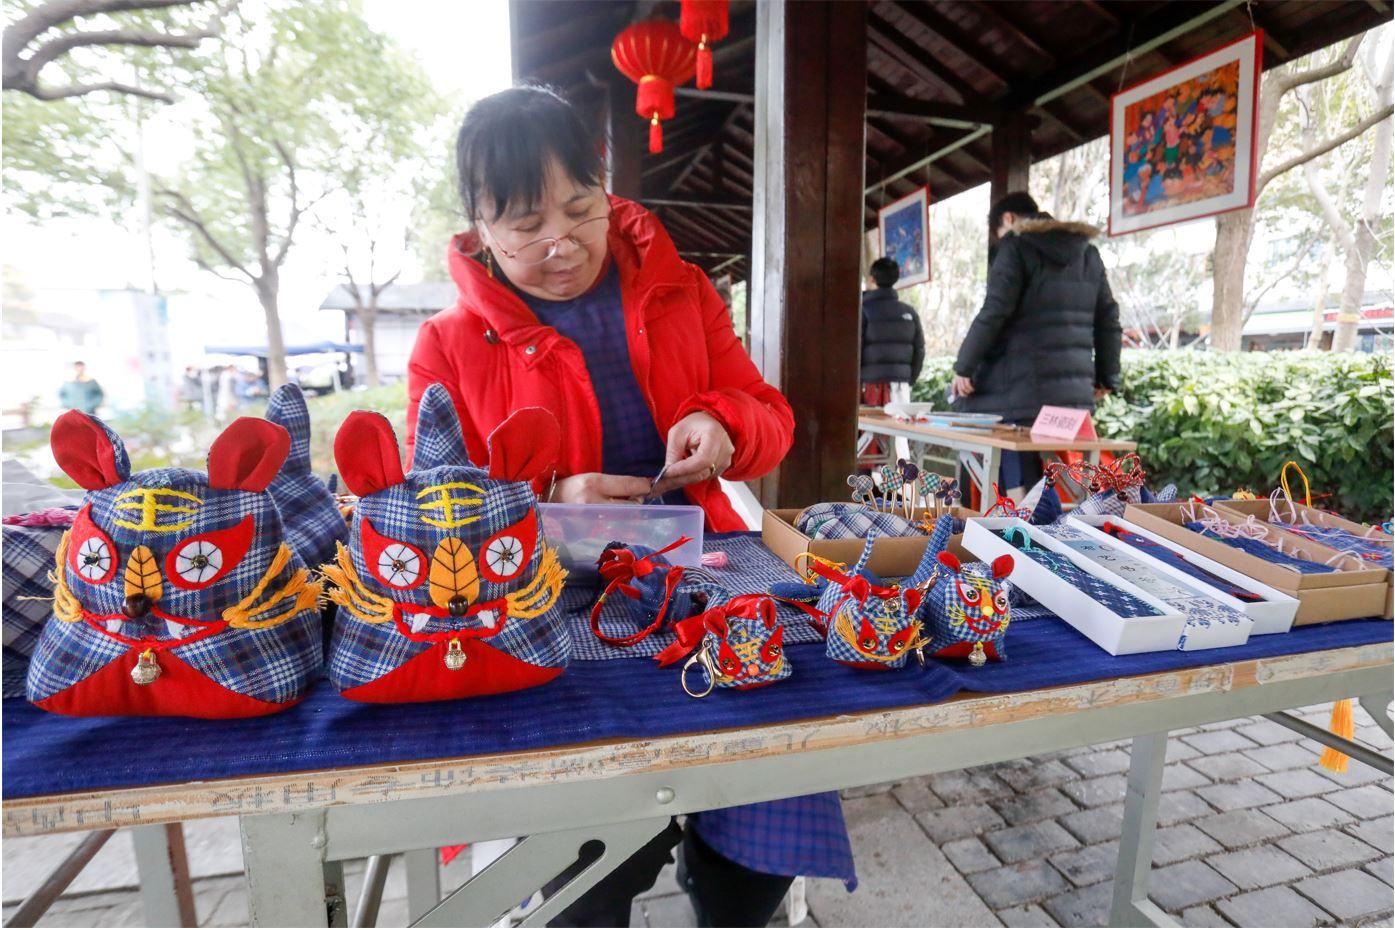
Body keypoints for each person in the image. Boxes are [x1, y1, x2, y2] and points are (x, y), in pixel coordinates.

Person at [405, 85, 850, 927]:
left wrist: (719, 423)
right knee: (586, 860)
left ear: (605, 190)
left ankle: (728, 893)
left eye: (580, 208)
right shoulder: (448, 346)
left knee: (754, 810)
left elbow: (771, 416)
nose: (562, 243)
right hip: (549, 594)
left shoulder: (680, 291)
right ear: (479, 225)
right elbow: (434, 512)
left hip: (705, 567)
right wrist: (546, 500)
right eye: (526, 225)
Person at [952, 191, 1122, 497]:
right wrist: (1107, 377)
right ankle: (1048, 511)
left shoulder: (1015, 246)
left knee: (969, 416)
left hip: (1020, 395)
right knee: (1056, 467)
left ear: (1008, 219)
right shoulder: (1088, 254)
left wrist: (964, 367)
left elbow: (995, 311)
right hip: (1073, 399)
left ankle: (997, 516)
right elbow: (1108, 318)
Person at [859, 257, 925, 408]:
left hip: (870, 386)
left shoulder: (864, 310)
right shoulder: (910, 313)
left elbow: (856, 350)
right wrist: (908, 378)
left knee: (870, 430)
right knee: (898, 428)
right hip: (901, 387)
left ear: (872, 279)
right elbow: (919, 351)